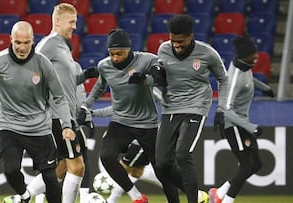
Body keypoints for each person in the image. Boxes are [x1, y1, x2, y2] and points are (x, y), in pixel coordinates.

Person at [0, 21, 75, 203]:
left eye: (26, 42)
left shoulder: (43, 64)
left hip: (39, 127)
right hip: (8, 125)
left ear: (33, 41)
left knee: (50, 176)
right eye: (18, 42)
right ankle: (24, 196)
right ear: (11, 40)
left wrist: (66, 125)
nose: (22, 47)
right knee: (10, 170)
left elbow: (59, 96)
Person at [77, 28, 172, 203]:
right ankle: (136, 197)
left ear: (129, 49)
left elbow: (161, 92)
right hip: (122, 124)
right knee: (113, 159)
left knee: (157, 168)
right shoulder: (105, 66)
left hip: (147, 126)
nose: (115, 58)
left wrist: (167, 120)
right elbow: (104, 95)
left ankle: (191, 195)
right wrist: (86, 108)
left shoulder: (145, 61)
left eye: (119, 53)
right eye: (111, 54)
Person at [24, 3, 99, 203]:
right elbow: (30, 71)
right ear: (57, 21)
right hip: (57, 115)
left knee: (62, 167)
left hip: (67, 115)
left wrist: (83, 77)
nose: (75, 26)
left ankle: (22, 197)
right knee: (77, 166)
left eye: (76, 22)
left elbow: (63, 82)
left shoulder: (63, 47)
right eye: (71, 22)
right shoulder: (49, 44)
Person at [152, 14, 229, 203]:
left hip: (196, 106)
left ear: (190, 36)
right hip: (170, 108)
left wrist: (221, 109)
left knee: (182, 154)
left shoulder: (207, 53)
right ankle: (200, 196)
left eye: (180, 41)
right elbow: (157, 76)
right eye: (173, 40)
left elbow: (224, 79)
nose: (176, 45)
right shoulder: (163, 49)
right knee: (161, 163)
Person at [208, 35, 274, 203]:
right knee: (246, 165)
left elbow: (249, 79)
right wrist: (251, 127)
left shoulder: (244, 66)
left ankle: (219, 193)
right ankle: (227, 200)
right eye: (253, 54)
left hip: (242, 123)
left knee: (256, 164)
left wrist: (264, 88)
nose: (257, 56)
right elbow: (225, 109)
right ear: (245, 55)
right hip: (233, 125)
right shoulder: (234, 77)